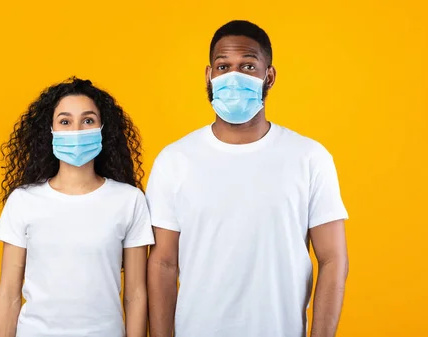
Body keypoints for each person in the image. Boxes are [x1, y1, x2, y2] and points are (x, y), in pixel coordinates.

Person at [147, 20, 349, 337]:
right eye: (223, 66)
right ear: (209, 76)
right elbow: (163, 264)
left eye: (248, 66)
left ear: (269, 76)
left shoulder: (309, 158)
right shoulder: (174, 161)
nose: (234, 76)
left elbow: (333, 258)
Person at [0, 77, 154, 337]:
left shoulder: (129, 200)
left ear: (103, 129)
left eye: (88, 120)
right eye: (65, 121)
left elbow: (135, 294)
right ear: (51, 130)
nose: (76, 130)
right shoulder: (23, 200)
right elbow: (9, 293)